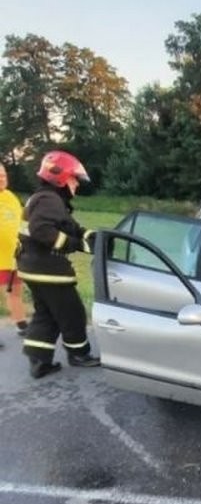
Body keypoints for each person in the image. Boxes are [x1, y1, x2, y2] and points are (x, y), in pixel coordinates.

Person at [17, 150, 100, 378]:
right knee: (72, 312)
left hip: (32, 268)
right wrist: (74, 244)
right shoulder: (49, 200)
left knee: (47, 314)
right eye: (74, 179)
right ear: (61, 178)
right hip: (47, 269)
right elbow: (42, 230)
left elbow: (70, 226)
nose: (77, 185)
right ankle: (79, 355)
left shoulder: (44, 197)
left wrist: (94, 238)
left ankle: (38, 361)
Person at [0, 161, 30, 335]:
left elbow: (20, 222)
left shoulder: (11, 197)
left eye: (4, 175)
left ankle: (21, 325)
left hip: (13, 257)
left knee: (15, 292)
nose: (2, 179)